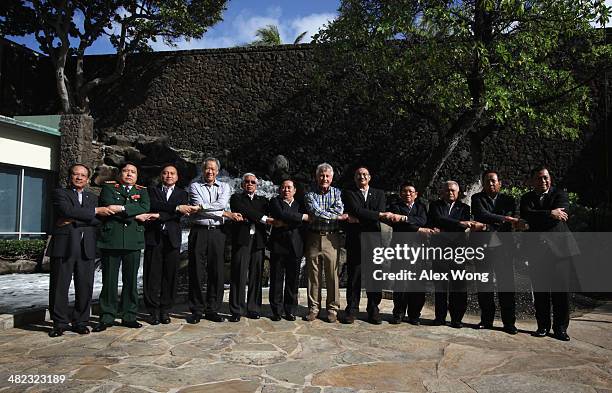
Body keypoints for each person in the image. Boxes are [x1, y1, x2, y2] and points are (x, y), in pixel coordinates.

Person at [47, 163, 114, 337]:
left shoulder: (92, 197)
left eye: (83, 175)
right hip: (64, 247)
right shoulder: (60, 193)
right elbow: (65, 210)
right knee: (59, 286)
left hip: (87, 247)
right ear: (70, 176)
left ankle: (81, 321)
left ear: (87, 179)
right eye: (76, 174)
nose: (79, 177)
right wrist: (92, 212)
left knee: (85, 286)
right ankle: (59, 323)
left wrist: (72, 219)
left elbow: (98, 221)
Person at [520, 166, 578, 341]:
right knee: (540, 291)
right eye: (539, 178)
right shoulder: (527, 198)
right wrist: (550, 213)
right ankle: (542, 326)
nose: (543, 181)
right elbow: (526, 215)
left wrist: (538, 218)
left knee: (561, 292)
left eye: (546, 177)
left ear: (550, 179)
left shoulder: (560, 195)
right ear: (532, 181)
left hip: (560, 251)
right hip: (537, 251)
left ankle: (560, 328)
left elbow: (559, 218)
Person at [93, 162, 150, 332]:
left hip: (133, 240)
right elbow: (108, 205)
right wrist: (133, 212)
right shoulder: (109, 188)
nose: (129, 174)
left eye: (133, 171)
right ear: (120, 174)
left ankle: (129, 315)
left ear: (137, 176)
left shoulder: (142, 191)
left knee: (130, 281)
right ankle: (107, 316)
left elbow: (145, 207)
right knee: (109, 281)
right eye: (126, 171)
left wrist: (122, 208)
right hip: (112, 239)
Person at [139, 164, 197, 325]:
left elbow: (178, 215)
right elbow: (151, 205)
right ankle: (152, 311)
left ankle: (165, 310)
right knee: (152, 275)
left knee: (170, 276)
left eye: (172, 173)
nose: (169, 175)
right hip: (153, 237)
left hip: (172, 239)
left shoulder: (182, 194)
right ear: (161, 176)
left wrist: (158, 215)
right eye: (165, 173)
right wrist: (175, 208)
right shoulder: (151, 191)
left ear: (177, 177)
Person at [187, 158, 243, 324]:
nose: (209, 172)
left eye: (212, 169)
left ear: (217, 171)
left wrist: (204, 208)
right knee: (196, 270)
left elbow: (220, 204)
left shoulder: (225, 186)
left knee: (216, 272)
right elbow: (199, 205)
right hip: (199, 231)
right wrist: (224, 213)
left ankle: (213, 309)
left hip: (218, 233)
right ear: (202, 171)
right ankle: (196, 310)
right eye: (206, 169)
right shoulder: (194, 186)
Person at [428, 180, 484, 329]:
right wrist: (459, 224)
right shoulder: (435, 206)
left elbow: (444, 224)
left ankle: (456, 318)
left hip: (457, 251)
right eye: (447, 190)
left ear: (458, 193)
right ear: (442, 192)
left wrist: (445, 228)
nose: (450, 192)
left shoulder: (464, 208)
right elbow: (438, 219)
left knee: (458, 285)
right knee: (440, 286)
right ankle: (439, 317)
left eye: (453, 190)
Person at [342, 167, 395, 324]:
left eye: (365, 174)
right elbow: (356, 209)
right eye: (358, 174)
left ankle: (373, 309)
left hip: (373, 240)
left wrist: (359, 218)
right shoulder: (349, 193)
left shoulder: (379, 194)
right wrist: (376, 215)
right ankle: (352, 309)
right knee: (354, 277)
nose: (362, 177)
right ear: (355, 178)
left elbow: (364, 213)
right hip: (355, 240)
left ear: (370, 177)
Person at [471, 170, 519, 335]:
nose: (490, 184)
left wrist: (486, 225)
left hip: (504, 249)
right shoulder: (476, 198)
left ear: (499, 183)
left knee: (506, 285)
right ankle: (486, 320)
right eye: (487, 181)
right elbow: (481, 214)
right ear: (482, 183)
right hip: (483, 248)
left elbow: (492, 220)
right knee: (484, 284)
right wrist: (503, 220)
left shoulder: (509, 200)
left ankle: (509, 323)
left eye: (493, 181)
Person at [304, 163, 348, 323]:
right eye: (321, 175)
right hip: (313, 237)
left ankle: (332, 309)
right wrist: (335, 216)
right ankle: (313, 308)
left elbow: (339, 209)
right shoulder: (309, 193)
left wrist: (333, 215)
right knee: (313, 276)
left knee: (332, 276)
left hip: (332, 238)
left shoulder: (337, 192)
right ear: (317, 177)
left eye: (327, 176)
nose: (324, 178)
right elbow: (314, 211)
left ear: (332, 178)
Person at [228, 173, 275, 322]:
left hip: (258, 240)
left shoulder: (263, 200)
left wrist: (249, 216)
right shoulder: (236, 198)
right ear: (242, 184)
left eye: (252, 182)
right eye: (247, 182)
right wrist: (261, 218)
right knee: (239, 274)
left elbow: (247, 212)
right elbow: (242, 209)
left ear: (257, 185)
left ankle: (254, 308)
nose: (249, 184)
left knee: (256, 274)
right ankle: (237, 309)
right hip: (242, 240)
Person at [388, 182, 436, 325]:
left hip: (418, 250)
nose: (407, 193)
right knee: (400, 283)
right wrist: (418, 229)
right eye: (404, 191)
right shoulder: (395, 207)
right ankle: (398, 314)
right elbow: (398, 225)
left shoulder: (421, 207)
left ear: (416, 194)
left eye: (410, 191)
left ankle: (414, 315)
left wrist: (405, 219)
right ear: (400, 193)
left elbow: (423, 220)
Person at [268, 179, 309, 321]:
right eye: (283, 187)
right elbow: (280, 214)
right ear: (280, 189)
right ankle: (276, 310)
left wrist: (286, 222)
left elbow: (289, 219)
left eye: (289, 187)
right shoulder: (274, 202)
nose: (286, 190)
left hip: (296, 246)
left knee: (293, 281)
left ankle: (290, 310)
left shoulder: (300, 204)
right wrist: (301, 218)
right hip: (278, 246)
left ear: (295, 190)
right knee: (276, 279)